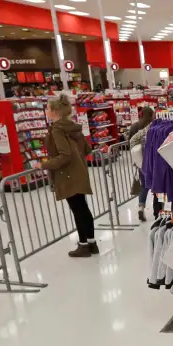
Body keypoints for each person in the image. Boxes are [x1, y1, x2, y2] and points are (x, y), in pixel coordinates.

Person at [40, 94, 98, 258]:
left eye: (48, 108)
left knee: (77, 209)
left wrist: (44, 165)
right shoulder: (72, 127)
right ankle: (92, 243)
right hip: (79, 170)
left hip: (68, 174)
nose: (46, 111)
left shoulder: (57, 129)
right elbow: (86, 149)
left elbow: (64, 155)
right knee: (83, 208)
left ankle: (83, 245)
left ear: (55, 111)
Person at [127, 107, 161, 221]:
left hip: (141, 161)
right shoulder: (153, 126)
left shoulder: (135, 126)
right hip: (155, 161)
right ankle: (158, 211)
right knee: (158, 186)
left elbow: (130, 142)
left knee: (144, 185)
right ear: (152, 115)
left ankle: (141, 208)